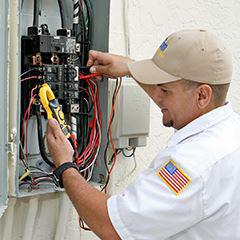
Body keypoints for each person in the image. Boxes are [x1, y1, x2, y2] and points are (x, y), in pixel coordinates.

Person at [46, 29, 240, 240]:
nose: (156, 96)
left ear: (202, 95)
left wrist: (65, 166)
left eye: (165, 91)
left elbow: (111, 226)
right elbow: (176, 94)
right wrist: (130, 68)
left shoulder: (193, 164)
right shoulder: (230, 131)